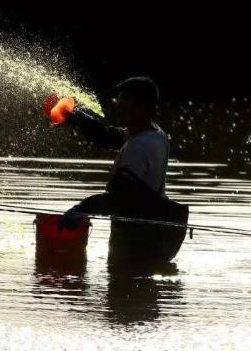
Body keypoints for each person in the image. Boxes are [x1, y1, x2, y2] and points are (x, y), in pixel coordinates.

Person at [48, 76, 187, 262]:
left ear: (142, 108)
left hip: (137, 245)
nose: (118, 105)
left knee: (123, 281)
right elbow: (105, 137)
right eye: (120, 100)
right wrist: (73, 116)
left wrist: (82, 208)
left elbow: (118, 200)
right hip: (151, 238)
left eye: (125, 101)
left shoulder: (140, 147)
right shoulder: (153, 133)